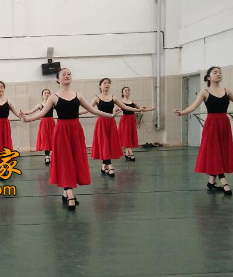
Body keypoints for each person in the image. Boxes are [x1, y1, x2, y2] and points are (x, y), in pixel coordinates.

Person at [20, 68, 115, 210]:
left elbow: (93, 110)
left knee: (75, 160)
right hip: (61, 131)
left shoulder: (78, 95)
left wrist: (111, 115)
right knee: (64, 160)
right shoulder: (53, 97)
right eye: (63, 74)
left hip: (76, 131)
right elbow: (42, 113)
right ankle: (70, 193)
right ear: (58, 79)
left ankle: (66, 191)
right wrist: (27, 119)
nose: (67, 76)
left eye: (69, 74)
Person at [173, 66, 233, 195]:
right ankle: (224, 181)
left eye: (220, 72)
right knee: (214, 151)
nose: (219, 74)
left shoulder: (227, 91)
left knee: (221, 151)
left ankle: (211, 182)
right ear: (209, 77)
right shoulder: (205, 92)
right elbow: (193, 106)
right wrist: (181, 112)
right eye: (215, 72)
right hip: (211, 125)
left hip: (224, 125)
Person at [83, 78, 142, 176]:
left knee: (109, 144)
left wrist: (138, 109)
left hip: (111, 122)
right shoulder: (97, 98)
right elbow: (87, 109)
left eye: (108, 83)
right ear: (100, 86)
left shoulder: (113, 97)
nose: (107, 84)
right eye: (105, 83)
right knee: (104, 144)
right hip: (102, 123)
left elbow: (125, 107)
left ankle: (104, 166)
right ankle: (110, 165)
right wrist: (75, 113)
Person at [117, 86, 156, 161]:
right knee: (126, 136)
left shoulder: (133, 102)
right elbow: (114, 110)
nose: (127, 91)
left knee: (130, 136)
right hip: (125, 120)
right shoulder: (120, 102)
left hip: (132, 119)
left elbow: (141, 109)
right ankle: (131, 153)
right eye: (125, 90)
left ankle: (127, 154)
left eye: (128, 90)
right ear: (122, 93)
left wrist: (152, 109)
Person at [23, 89, 55, 165]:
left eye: (48, 93)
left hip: (51, 122)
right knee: (45, 139)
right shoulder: (40, 105)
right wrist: (22, 113)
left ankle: (54, 155)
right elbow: (31, 111)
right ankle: (47, 156)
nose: (46, 94)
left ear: (50, 95)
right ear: (42, 95)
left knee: (53, 138)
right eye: (45, 93)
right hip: (44, 123)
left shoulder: (53, 104)